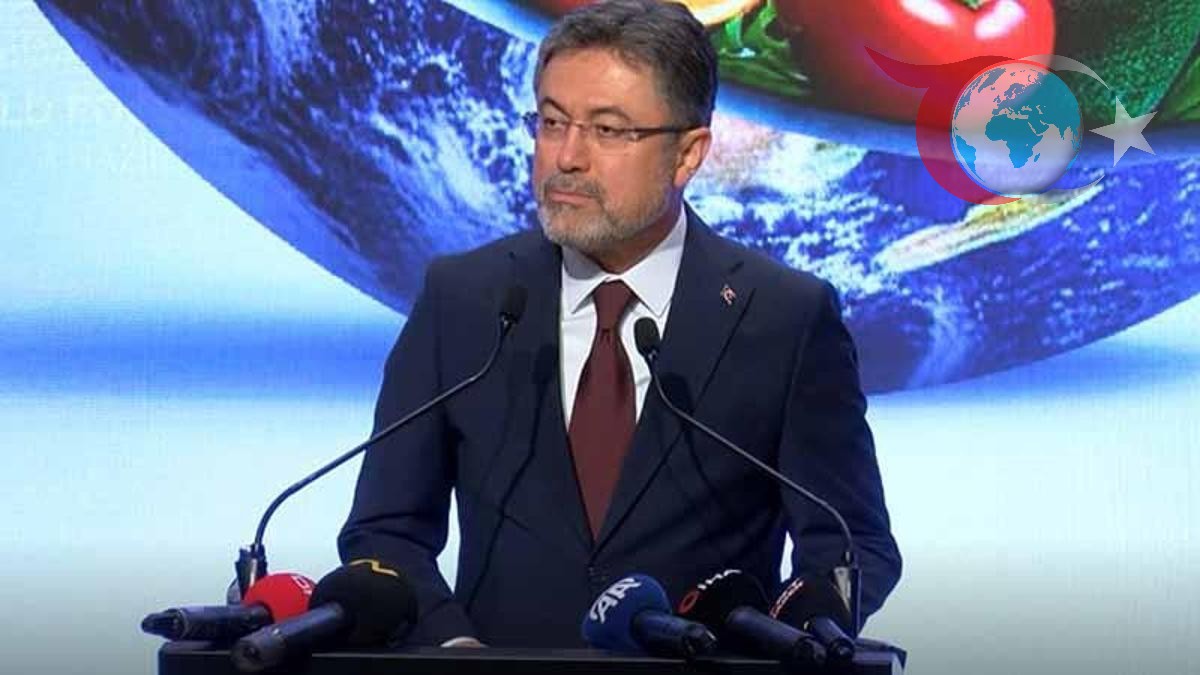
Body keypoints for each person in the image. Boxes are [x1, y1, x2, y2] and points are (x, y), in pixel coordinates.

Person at [339, 0, 900, 648]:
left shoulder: (785, 318)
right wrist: (454, 650)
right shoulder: (463, 300)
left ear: (688, 154)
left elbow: (852, 543)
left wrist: (786, 636)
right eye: (552, 122)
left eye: (607, 130)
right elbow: (385, 530)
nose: (566, 157)